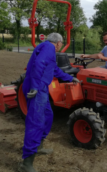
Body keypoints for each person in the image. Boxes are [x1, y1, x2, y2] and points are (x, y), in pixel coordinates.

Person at [18, 33, 79, 172]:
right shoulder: (48, 47)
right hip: (38, 87)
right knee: (36, 122)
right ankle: (26, 163)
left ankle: (38, 145)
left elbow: (54, 70)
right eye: (61, 44)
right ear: (58, 43)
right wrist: (34, 86)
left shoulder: (47, 49)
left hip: (42, 87)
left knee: (48, 116)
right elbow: (39, 64)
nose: (61, 46)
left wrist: (70, 78)